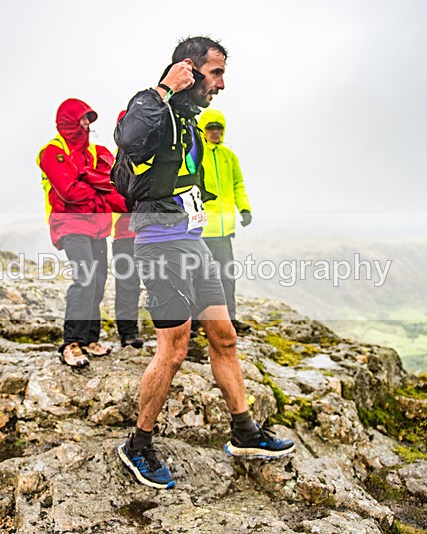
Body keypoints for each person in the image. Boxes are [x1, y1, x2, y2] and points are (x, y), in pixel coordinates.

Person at [113, 37, 295, 490]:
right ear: (189, 70)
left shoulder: (191, 123)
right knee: (173, 350)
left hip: (194, 243)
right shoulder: (150, 106)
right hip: (160, 245)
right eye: (215, 73)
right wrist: (162, 88)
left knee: (224, 336)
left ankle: (245, 432)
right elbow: (128, 137)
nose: (221, 84)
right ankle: (138, 444)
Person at [37, 98, 117, 367]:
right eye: (83, 119)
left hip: (97, 225)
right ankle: (70, 343)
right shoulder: (52, 152)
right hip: (70, 223)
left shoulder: (93, 152)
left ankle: (88, 339)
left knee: (98, 280)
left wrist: (88, 178)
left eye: (89, 119)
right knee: (84, 278)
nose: (87, 124)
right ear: (69, 121)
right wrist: (96, 186)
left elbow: (111, 182)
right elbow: (68, 191)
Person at [198, 108, 253, 335]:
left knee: (226, 277)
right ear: (203, 130)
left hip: (224, 230)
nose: (215, 132)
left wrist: (245, 208)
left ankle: (229, 319)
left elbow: (238, 184)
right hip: (200, 230)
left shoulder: (229, 156)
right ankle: (196, 322)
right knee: (199, 277)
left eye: (219, 128)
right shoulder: (196, 154)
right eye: (211, 128)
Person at [111, 110, 145, 349]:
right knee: (128, 283)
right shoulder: (114, 162)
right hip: (125, 233)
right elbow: (112, 196)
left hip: (150, 232)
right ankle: (128, 332)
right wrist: (134, 201)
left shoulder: (153, 156)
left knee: (158, 282)